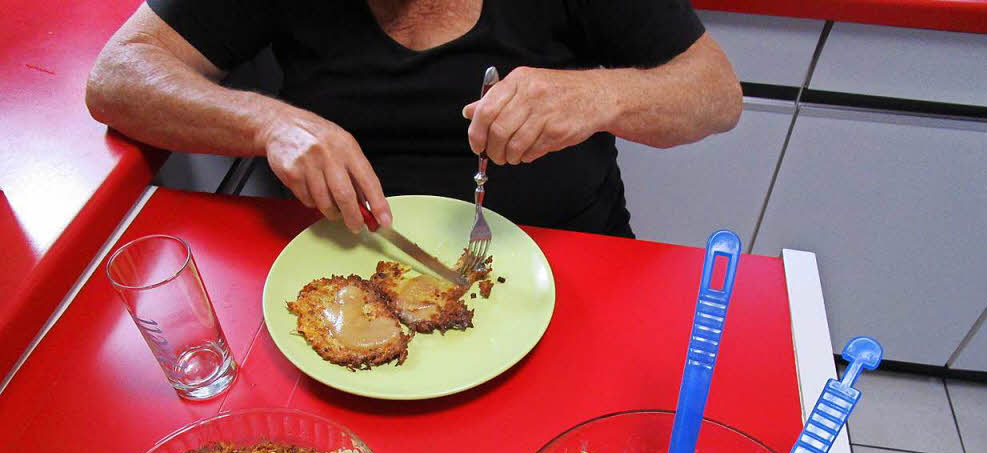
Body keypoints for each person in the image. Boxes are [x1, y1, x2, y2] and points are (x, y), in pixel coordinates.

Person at [87, 1, 741, 237]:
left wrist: (600, 97)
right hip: (350, 273)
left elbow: (716, 91)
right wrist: (268, 122)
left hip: (570, 265)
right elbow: (117, 76)